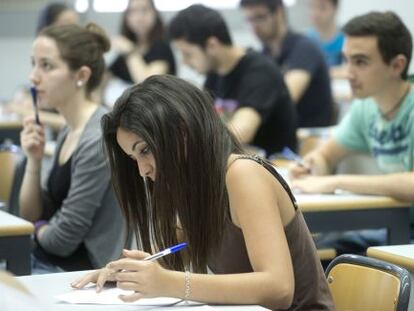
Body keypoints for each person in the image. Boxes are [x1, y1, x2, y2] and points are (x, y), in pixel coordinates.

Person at [71, 75, 334, 310]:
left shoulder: (242, 174)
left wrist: (170, 281)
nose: (141, 170)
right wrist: (134, 271)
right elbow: (175, 256)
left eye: (145, 150)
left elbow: (279, 290)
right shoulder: (191, 183)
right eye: (133, 157)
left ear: (182, 132)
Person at [289, 11, 414, 254]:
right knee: (314, 255)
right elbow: (326, 155)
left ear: (397, 65)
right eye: (346, 60)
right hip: (397, 228)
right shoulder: (366, 106)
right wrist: (312, 167)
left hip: (404, 233)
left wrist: (334, 182)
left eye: (361, 62)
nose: (348, 73)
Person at [19, 23, 125, 273]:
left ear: (81, 76)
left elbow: (62, 240)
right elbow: (32, 214)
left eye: (47, 66)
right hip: (51, 262)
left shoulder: (97, 137)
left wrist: (38, 228)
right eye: (33, 63)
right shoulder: (70, 128)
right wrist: (33, 162)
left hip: (78, 272)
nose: (33, 77)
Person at [169, 4, 297, 156]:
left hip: (273, 167)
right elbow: (203, 122)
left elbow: (241, 132)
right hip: (238, 162)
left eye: (188, 54)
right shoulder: (214, 75)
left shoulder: (261, 72)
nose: (184, 62)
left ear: (212, 45)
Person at [240, 0, 334, 128]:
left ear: (279, 12)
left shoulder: (304, 48)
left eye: (260, 17)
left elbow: (283, 99)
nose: (254, 27)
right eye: (249, 20)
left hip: (308, 137)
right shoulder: (264, 54)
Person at [108, 0, 176, 85]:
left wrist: (130, 51)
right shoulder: (123, 49)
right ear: (126, 17)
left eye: (145, 10)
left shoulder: (162, 46)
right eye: (133, 11)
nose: (139, 17)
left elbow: (146, 84)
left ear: (155, 13)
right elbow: (102, 78)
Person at [307, 0, 346, 79]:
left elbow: (350, 71)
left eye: (322, 7)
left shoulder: (346, 39)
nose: (315, 13)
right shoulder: (305, 40)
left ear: (335, 8)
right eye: (312, 7)